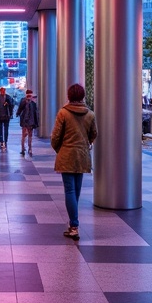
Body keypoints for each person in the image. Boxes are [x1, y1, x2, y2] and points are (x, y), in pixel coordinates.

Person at [50, 83, 97, 240]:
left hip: (67, 155)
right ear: (82, 96)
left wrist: (60, 149)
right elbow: (93, 134)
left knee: (69, 190)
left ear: (69, 96)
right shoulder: (90, 114)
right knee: (76, 190)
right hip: (82, 156)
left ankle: (74, 226)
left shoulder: (63, 113)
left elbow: (55, 136)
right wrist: (85, 144)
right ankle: (73, 223)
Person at [17, 88, 39, 155]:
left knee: (29, 135)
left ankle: (29, 149)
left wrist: (36, 122)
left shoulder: (33, 103)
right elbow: (20, 109)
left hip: (30, 121)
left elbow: (35, 113)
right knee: (25, 135)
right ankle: (24, 149)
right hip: (25, 121)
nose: (30, 97)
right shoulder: (23, 101)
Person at [0, 86, 15, 150]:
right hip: (0, 116)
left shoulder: (8, 97)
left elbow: (12, 105)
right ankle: (1, 141)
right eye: (2, 91)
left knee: (5, 129)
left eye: (4, 91)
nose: (3, 92)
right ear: (0, 91)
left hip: (6, 116)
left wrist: (10, 113)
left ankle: (5, 141)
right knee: (0, 129)